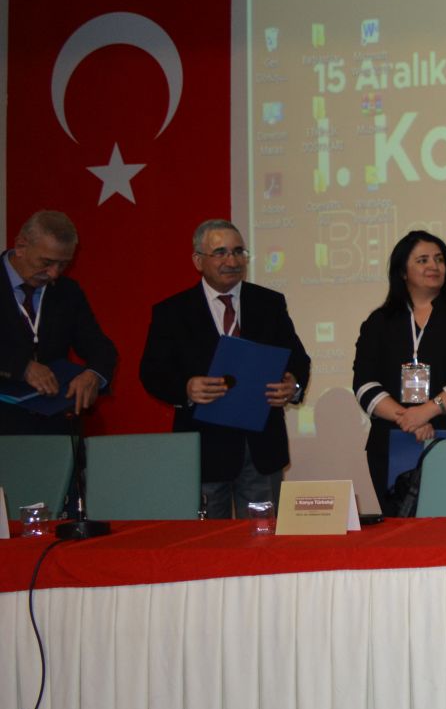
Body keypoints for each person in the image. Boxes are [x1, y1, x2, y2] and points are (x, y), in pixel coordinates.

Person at [140, 220, 312, 518]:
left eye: (238, 252)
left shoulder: (269, 303)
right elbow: (152, 372)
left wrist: (293, 385)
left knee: (263, 540)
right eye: (220, 253)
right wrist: (186, 388)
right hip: (204, 451)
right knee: (206, 542)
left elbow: (297, 358)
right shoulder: (172, 311)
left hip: (260, 448)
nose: (232, 261)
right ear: (198, 260)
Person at [352, 230, 446, 515]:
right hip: (392, 443)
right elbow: (364, 384)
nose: (434, 266)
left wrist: (427, 411)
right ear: (403, 271)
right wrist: (408, 419)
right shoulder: (380, 322)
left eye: (439, 259)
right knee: (401, 531)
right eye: (423, 260)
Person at [1, 209, 115, 436]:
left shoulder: (67, 291)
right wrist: (21, 367)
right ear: (21, 246)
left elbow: (100, 347)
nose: (53, 274)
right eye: (47, 262)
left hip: (54, 428)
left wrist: (93, 375)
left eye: (63, 265)